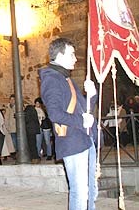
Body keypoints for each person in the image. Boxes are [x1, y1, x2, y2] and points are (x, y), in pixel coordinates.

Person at [39, 38, 98, 210]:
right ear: (60, 55)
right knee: (80, 192)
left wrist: (92, 95)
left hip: (85, 139)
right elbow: (55, 114)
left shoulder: (66, 79)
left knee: (90, 190)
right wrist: (81, 121)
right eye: (71, 54)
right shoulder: (52, 79)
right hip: (73, 142)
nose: (76, 58)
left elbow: (84, 110)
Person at [4, 94, 17, 160]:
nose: (12, 101)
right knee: (14, 143)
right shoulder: (8, 108)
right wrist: (7, 127)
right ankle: (16, 154)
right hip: (11, 128)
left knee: (18, 142)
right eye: (11, 99)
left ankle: (19, 154)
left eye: (13, 99)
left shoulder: (17, 107)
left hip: (17, 128)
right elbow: (6, 118)